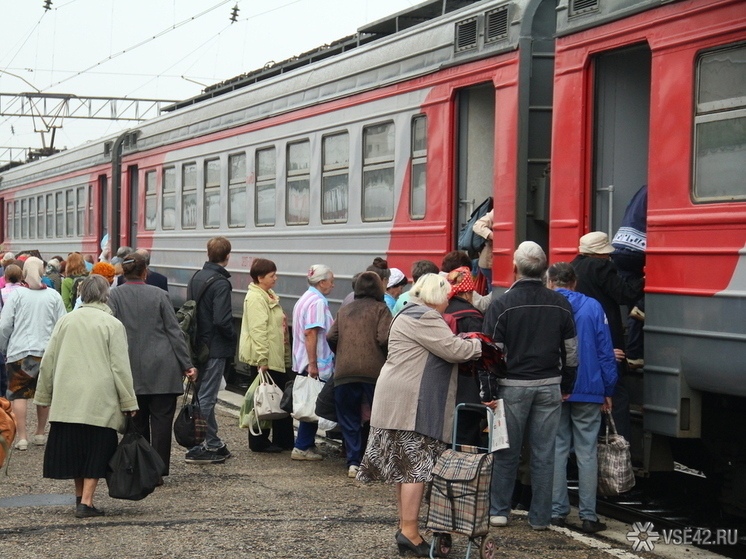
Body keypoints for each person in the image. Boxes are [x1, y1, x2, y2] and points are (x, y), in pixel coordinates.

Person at [358, 273, 481, 557]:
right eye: (446, 298)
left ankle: (405, 527)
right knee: (416, 469)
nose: (447, 304)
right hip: (411, 403)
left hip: (396, 399)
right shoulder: (426, 317)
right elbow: (453, 350)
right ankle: (410, 533)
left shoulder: (405, 312)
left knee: (404, 469)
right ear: (437, 297)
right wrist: (478, 345)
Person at [482, 241, 578, 530]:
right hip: (550, 384)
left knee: (506, 451)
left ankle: (500, 510)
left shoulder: (501, 304)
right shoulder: (561, 303)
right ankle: (540, 518)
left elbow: (490, 353)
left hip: (512, 386)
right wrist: (566, 385)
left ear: (515, 267)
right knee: (544, 454)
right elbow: (571, 351)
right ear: (544, 270)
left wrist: (488, 390)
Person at [34, 275, 138, 518]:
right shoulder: (112, 324)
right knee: (96, 450)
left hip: (68, 398)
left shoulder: (65, 321)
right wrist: (129, 401)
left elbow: (48, 361)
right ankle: (87, 503)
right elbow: (120, 368)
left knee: (75, 450)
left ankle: (81, 498)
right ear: (105, 296)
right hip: (99, 400)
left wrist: (43, 395)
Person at [108, 252, 197, 475]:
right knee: (161, 422)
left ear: (123, 272)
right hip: (162, 368)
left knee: (136, 422)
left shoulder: (114, 296)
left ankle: (141, 467)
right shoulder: (160, 295)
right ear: (145, 272)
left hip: (130, 369)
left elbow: (111, 331)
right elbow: (173, 331)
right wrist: (187, 364)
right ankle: (159, 470)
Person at [547, 262, 617, 534]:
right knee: (588, 452)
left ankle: (557, 512)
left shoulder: (548, 304)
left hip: (555, 386)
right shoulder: (593, 307)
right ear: (574, 282)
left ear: (552, 282)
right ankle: (589, 516)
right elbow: (605, 351)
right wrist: (608, 390)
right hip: (589, 388)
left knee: (558, 449)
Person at [571, 231, 643, 442]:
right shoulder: (600, 267)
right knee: (617, 394)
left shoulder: (574, 266)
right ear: (600, 254)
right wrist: (644, 280)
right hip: (604, 338)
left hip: (580, 340)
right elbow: (624, 294)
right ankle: (620, 446)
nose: (609, 257)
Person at [327, 271, 392, 478]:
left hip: (344, 372)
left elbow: (331, 336)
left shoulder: (345, 310)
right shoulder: (381, 309)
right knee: (379, 417)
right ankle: (376, 461)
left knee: (349, 417)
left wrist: (344, 353)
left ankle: (353, 462)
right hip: (374, 373)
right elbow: (384, 339)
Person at [0, 257, 67, 451]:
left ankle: (22, 437)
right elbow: (61, 323)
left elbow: (5, 325)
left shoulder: (17, 295)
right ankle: (39, 433)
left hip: (20, 351)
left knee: (19, 394)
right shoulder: (53, 296)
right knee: (43, 395)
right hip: (45, 352)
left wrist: (3, 346)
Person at [185, 237, 236, 464]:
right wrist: (232, 337)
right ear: (227, 256)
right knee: (206, 398)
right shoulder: (221, 283)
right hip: (215, 347)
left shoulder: (196, 277)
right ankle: (195, 447)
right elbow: (222, 320)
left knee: (205, 395)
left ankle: (214, 443)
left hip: (198, 345)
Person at [238, 258, 294, 454]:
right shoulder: (255, 298)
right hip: (266, 358)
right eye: (272, 276)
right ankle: (260, 442)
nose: (275, 279)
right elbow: (258, 330)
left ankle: (284, 440)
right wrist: (262, 360)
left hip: (273, 356)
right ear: (260, 277)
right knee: (264, 400)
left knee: (278, 397)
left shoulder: (267, 294)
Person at [291, 264, 335, 461]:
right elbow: (311, 332)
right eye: (331, 281)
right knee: (313, 402)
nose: (333, 285)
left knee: (310, 401)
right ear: (322, 282)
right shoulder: (317, 302)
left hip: (303, 358)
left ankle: (305, 443)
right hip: (313, 362)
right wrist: (313, 364)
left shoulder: (305, 298)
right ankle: (301, 447)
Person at [444, 266, 485, 447]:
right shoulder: (474, 316)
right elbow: (480, 353)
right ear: (468, 292)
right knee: (466, 436)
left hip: (443, 384)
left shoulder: (441, 312)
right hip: (467, 387)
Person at [611, 185, 648, 369]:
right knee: (661, 282)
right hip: (639, 247)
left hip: (619, 247)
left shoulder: (641, 190)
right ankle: (642, 306)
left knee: (633, 300)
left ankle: (634, 355)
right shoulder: (657, 188)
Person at [473, 209, 494, 292]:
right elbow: (477, 225)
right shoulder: (497, 211)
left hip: (488, 263)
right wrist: (492, 235)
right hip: (489, 262)